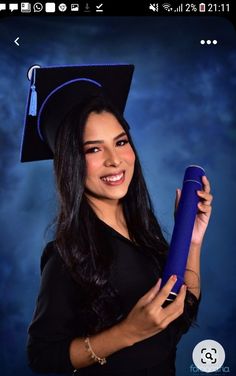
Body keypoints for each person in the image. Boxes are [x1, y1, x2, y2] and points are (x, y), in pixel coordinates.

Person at [21, 64, 213, 376]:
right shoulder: (67, 256)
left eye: (121, 142)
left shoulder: (144, 234)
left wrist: (191, 240)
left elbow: (180, 311)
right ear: (71, 164)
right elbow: (42, 356)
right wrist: (127, 332)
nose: (114, 160)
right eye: (94, 149)